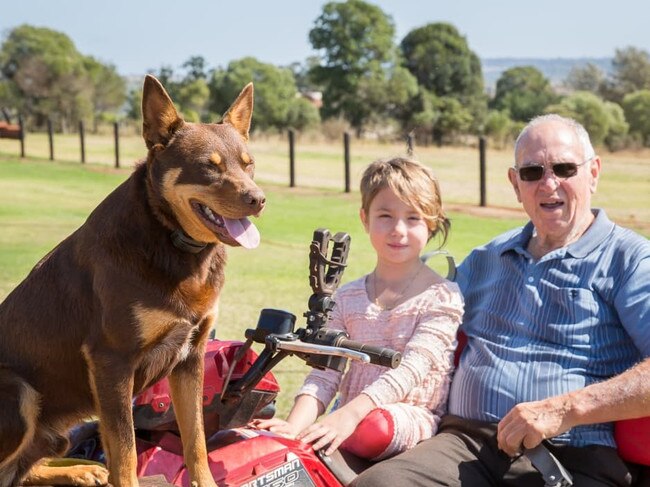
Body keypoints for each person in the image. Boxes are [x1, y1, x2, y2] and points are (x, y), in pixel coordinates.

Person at [352, 114, 650, 486]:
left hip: (570, 456)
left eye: (564, 168)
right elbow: (417, 318)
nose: (549, 183)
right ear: (515, 183)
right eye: (532, 172)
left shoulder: (630, 260)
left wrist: (564, 409)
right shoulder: (485, 259)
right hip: (464, 444)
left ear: (593, 173)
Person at [253, 157, 464, 460]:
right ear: (365, 218)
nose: (398, 230)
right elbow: (325, 373)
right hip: (349, 417)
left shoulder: (442, 296)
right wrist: (293, 428)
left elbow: (411, 369)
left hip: (406, 417)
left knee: (373, 429)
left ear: (432, 223)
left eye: (413, 218)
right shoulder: (348, 296)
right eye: (385, 215)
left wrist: (350, 415)